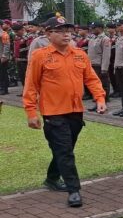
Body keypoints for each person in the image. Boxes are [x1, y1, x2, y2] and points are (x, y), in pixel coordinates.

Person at [23, 14, 107, 207]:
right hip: (53, 113)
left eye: (68, 31)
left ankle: (52, 178)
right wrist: (30, 112)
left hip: (76, 112)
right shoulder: (40, 55)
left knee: (63, 149)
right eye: (60, 31)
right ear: (48, 34)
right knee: (65, 150)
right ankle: (74, 190)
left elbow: (91, 79)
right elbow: (31, 85)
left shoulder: (79, 54)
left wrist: (100, 98)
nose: (66, 35)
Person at [86, 21, 111, 110]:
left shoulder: (105, 39)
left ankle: (103, 103)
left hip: (100, 65)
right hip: (92, 64)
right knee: (94, 85)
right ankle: (97, 102)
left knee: (103, 84)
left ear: (100, 28)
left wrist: (104, 68)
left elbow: (106, 55)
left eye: (94, 28)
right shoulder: (92, 38)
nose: (92, 29)